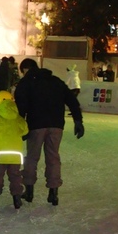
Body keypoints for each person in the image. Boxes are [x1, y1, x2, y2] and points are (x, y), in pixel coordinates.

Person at [14, 58, 84, 206]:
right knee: (53, 157)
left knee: (32, 157)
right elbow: (72, 100)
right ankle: (53, 192)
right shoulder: (55, 81)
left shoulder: (26, 82)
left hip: (36, 125)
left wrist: (21, 126)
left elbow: (21, 106)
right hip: (56, 125)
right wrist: (78, 120)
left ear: (25, 69)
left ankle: (29, 190)